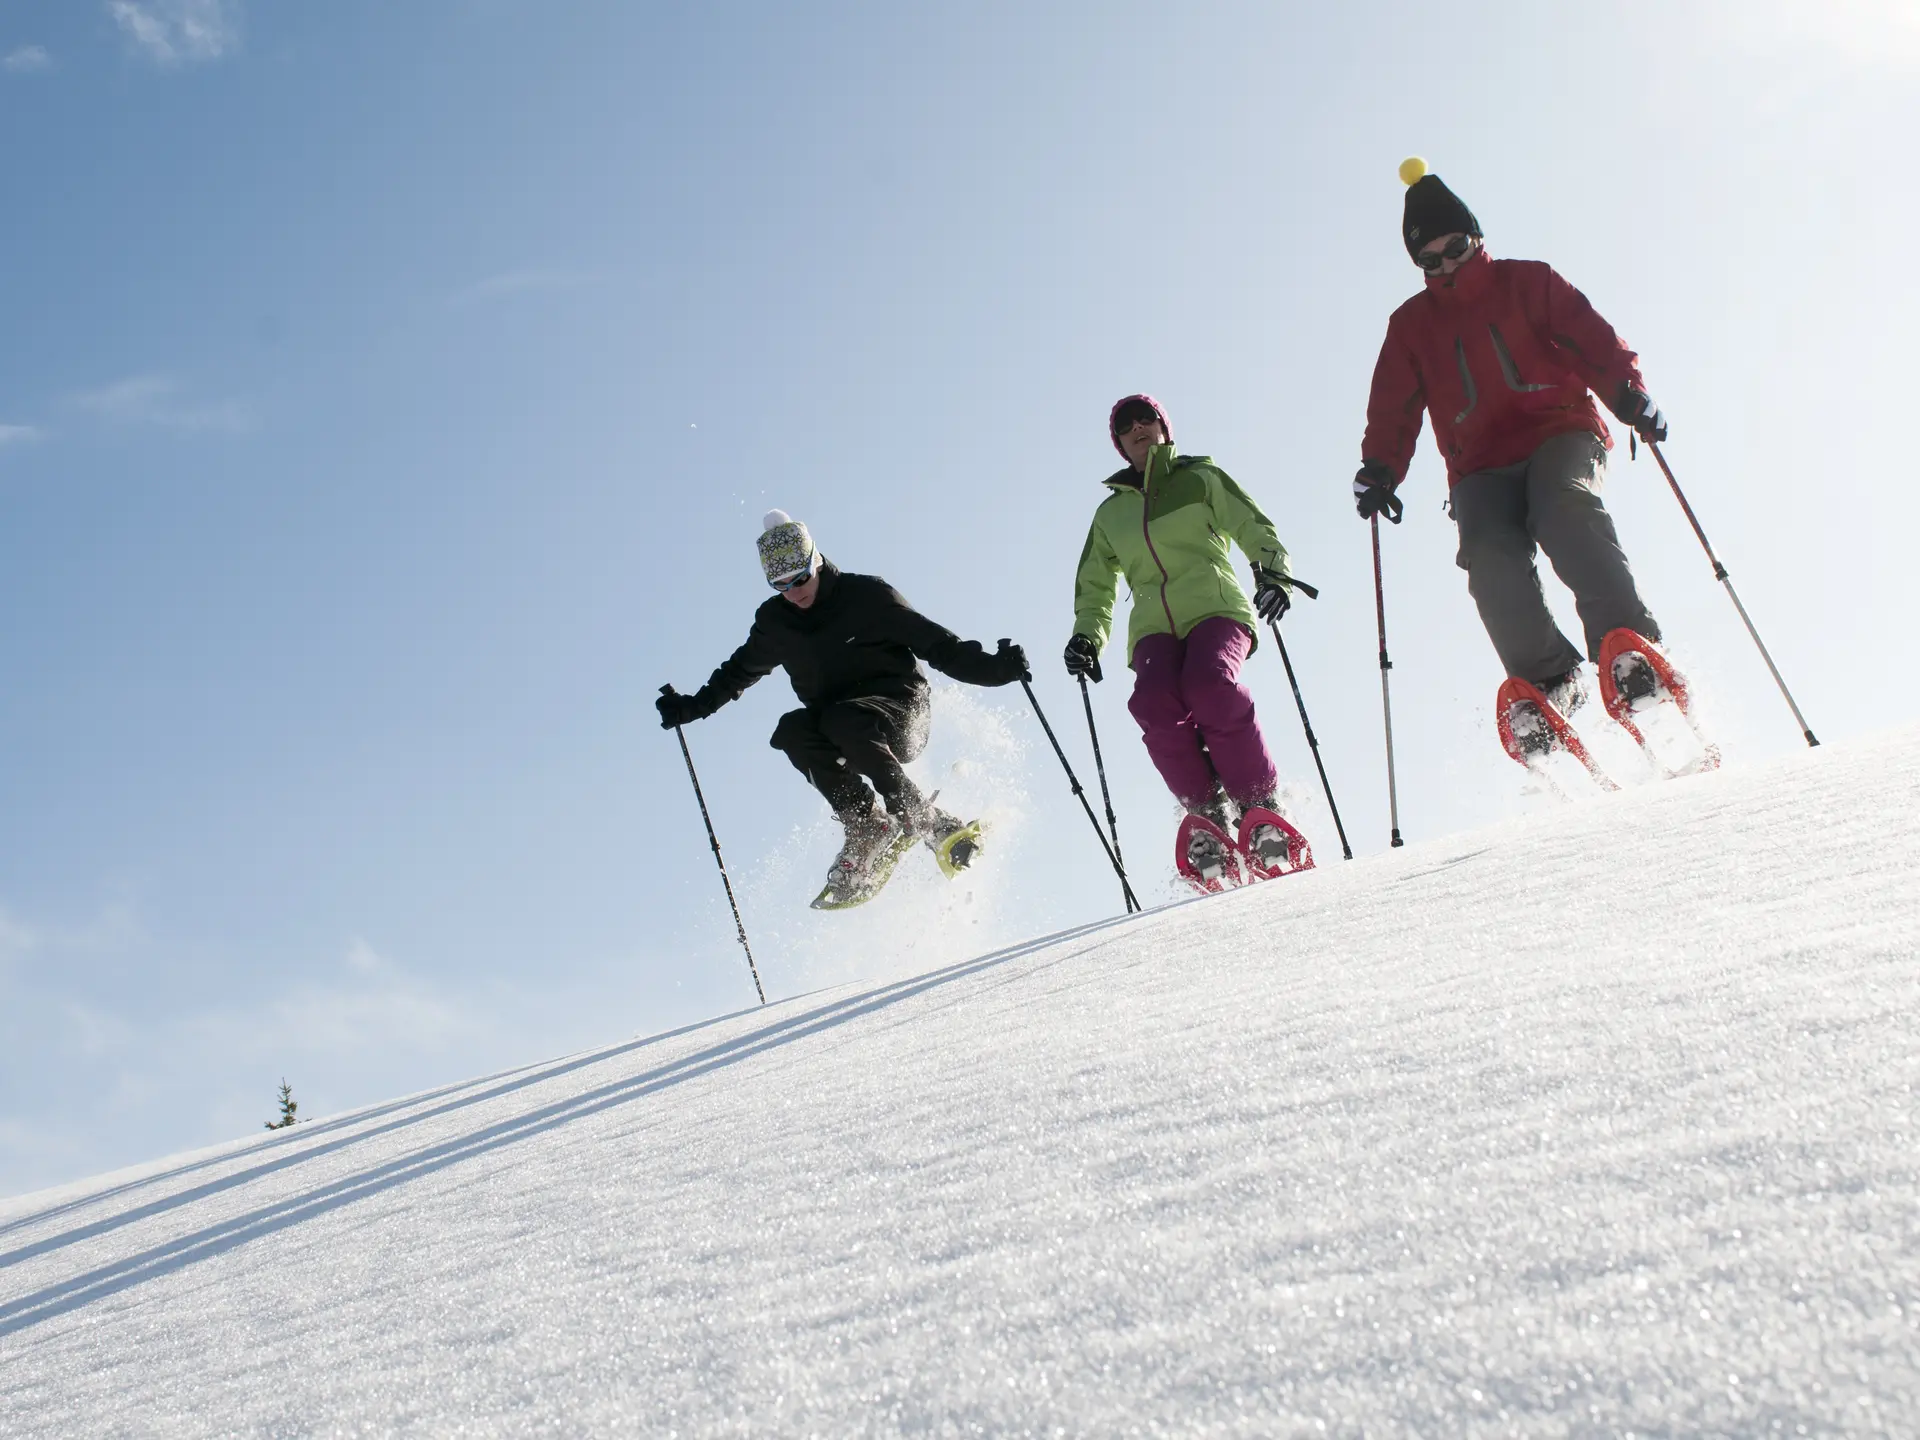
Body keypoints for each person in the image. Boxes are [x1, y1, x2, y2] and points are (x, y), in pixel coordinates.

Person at [1351, 158, 1674, 726]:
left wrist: (1627, 394)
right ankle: (1551, 681)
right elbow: (1393, 408)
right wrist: (1379, 468)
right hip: (1478, 467)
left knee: (1564, 509)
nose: (1445, 264)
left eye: (1454, 247)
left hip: (1560, 431)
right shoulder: (1411, 325)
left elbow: (1590, 338)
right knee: (1488, 556)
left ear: (1475, 236)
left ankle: (1629, 651)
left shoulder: (1527, 281)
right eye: (1429, 259)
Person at [657, 511, 1027, 906]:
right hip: (843, 727)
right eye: (781, 584)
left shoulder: (867, 597)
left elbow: (938, 646)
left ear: (815, 559)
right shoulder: (775, 623)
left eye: (800, 577)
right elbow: (735, 674)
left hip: (901, 712)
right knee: (792, 730)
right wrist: (690, 708)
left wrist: (993, 669)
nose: (794, 591)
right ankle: (867, 824)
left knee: (841, 718)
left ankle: (923, 818)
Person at [1064, 394, 1296, 878]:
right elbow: (1096, 584)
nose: (1137, 428)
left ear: (1164, 427)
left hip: (1215, 608)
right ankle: (1205, 812)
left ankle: (1259, 804)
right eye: (1125, 426)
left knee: (1210, 685)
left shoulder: (1200, 478)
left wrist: (1273, 575)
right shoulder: (1111, 515)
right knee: (1151, 703)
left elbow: (1251, 523)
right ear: (1120, 445)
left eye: (1145, 418)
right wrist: (1087, 636)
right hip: (1153, 627)